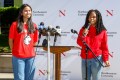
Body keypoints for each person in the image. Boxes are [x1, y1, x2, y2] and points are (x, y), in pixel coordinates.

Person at [77, 9, 110, 80]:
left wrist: (106, 59)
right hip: (85, 59)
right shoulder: (83, 29)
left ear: (98, 18)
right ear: (87, 18)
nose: (91, 18)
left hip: (97, 59)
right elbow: (79, 42)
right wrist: (83, 35)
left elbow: (104, 47)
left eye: (94, 17)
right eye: (90, 17)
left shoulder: (103, 31)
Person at [9, 4, 38, 80]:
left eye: (29, 10)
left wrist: (28, 49)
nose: (28, 12)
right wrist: (15, 51)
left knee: (29, 78)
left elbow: (35, 41)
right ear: (21, 13)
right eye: (26, 10)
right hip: (18, 57)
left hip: (31, 57)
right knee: (19, 78)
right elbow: (10, 40)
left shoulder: (34, 26)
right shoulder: (14, 25)